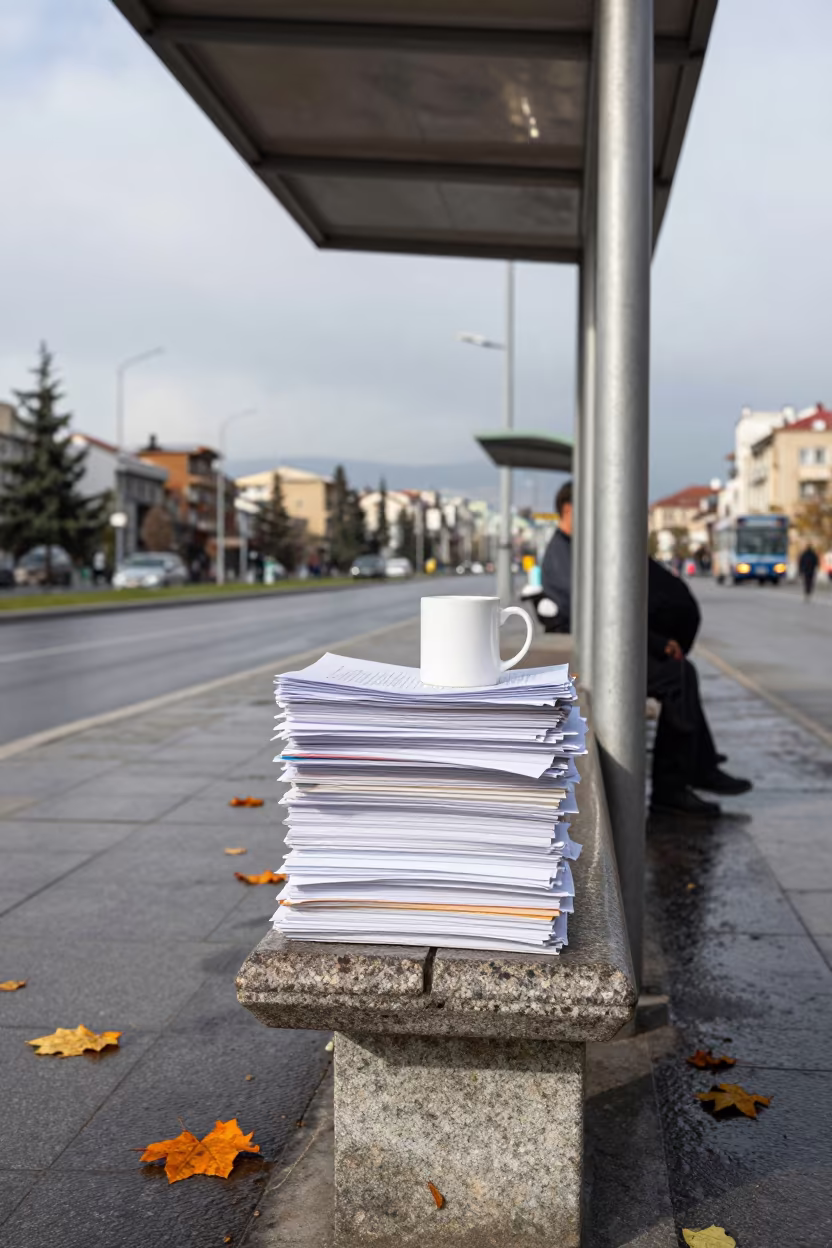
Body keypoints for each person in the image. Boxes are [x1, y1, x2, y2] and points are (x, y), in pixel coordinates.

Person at [541, 480, 751, 817]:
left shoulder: (575, 548)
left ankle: (699, 766)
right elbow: (596, 612)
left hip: (606, 647)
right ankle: (672, 790)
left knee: (682, 675)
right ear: (568, 509)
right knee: (676, 678)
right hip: (596, 656)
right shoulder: (563, 555)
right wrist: (654, 642)